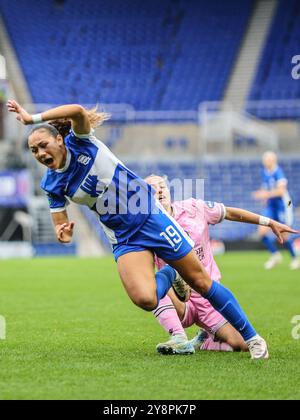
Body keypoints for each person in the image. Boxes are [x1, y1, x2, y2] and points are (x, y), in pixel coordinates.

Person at [8, 101, 295, 360]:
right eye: (34, 150)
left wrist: (31, 117)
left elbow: (78, 111)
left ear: (60, 139)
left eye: (44, 144)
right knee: (145, 299)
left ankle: (253, 338)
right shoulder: (52, 185)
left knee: (202, 283)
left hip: (150, 217)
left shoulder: (82, 142)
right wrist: (64, 233)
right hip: (123, 237)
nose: (40, 153)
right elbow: (61, 224)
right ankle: (170, 273)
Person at [146, 175, 297, 355]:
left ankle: (207, 341)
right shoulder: (147, 228)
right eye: (153, 188)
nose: (160, 190)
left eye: (162, 185)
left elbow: (229, 213)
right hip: (179, 301)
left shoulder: (194, 208)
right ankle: (179, 338)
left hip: (208, 296)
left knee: (240, 344)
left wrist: (269, 222)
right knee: (149, 287)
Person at [253, 151, 300, 270]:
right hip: (270, 206)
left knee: (284, 235)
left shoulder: (279, 173)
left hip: (283, 205)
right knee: (262, 232)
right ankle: (275, 255)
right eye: (264, 159)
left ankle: (295, 258)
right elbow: (266, 186)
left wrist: (265, 195)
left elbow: (281, 191)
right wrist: (263, 195)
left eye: (267, 159)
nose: (265, 162)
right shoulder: (264, 171)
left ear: (273, 160)